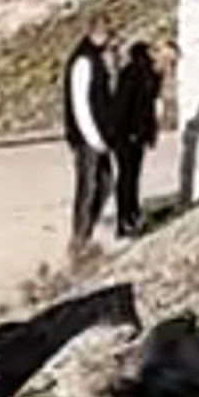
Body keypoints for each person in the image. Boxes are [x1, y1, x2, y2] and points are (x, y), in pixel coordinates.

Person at [60, 27, 122, 250]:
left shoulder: (98, 60)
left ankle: (86, 232)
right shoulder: (83, 62)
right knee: (88, 187)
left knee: (105, 184)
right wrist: (93, 138)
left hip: (100, 136)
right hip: (87, 137)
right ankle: (79, 238)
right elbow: (81, 104)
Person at [104, 36, 167, 240]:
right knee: (129, 177)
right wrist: (141, 133)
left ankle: (128, 216)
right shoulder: (142, 75)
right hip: (131, 135)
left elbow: (127, 106)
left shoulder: (136, 74)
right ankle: (128, 217)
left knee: (127, 177)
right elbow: (137, 107)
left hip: (127, 135)